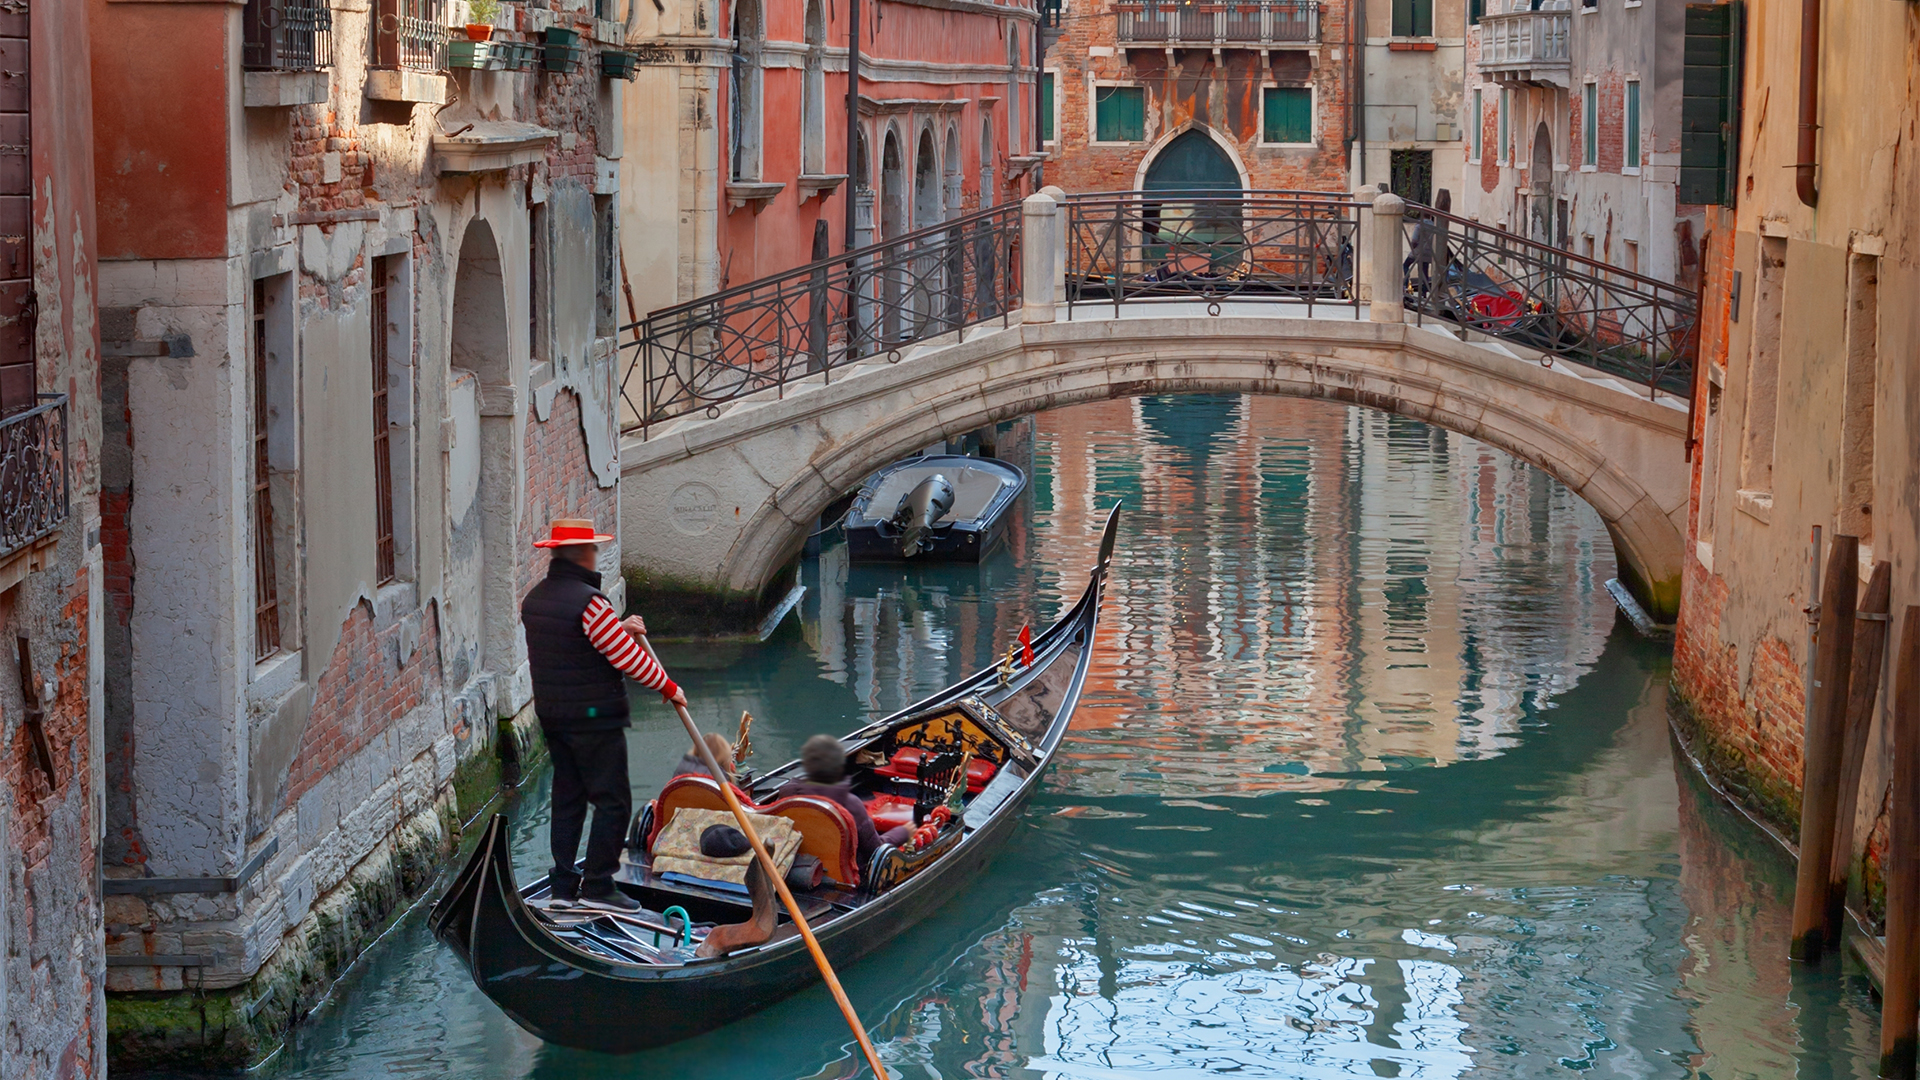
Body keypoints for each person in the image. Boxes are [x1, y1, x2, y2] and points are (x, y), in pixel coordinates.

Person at [521, 517, 685, 914]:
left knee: (569, 798)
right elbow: (626, 658)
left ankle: (563, 886)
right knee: (613, 801)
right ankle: (597, 884)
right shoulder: (590, 602)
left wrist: (618, 626)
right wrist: (668, 687)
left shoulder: (536, 599)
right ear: (582, 554)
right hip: (593, 716)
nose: (596, 555)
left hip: (554, 716)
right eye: (593, 549)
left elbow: (575, 645)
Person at [772, 734, 911, 862]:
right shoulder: (851, 804)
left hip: (800, 862)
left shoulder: (786, 794)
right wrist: (903, 832)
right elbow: (875, 850)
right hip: (846, 873)